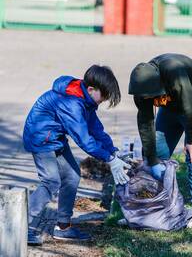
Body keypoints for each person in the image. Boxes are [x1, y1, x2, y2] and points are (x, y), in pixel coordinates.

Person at [23, 65, 130, 245]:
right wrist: (109, 160)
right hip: (40, 138)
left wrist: (113, 151)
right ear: (91, 89)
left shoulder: (86, 100)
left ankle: (63, 227)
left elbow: (96, 130)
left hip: (55, 138)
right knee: (51, 181)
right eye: (103, 96)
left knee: (72, 176)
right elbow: (84, 140)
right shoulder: (71, 103)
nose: (103, 100)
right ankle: (18, 225)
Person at [128, 53, 192, 229]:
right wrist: (151, 157)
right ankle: (155, 205)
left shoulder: (174, 71)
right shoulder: (142, 88)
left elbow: (190, 106)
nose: (145, 100)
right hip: (170, 107)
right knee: (157, 153)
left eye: (147, 97)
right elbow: (145, 122)